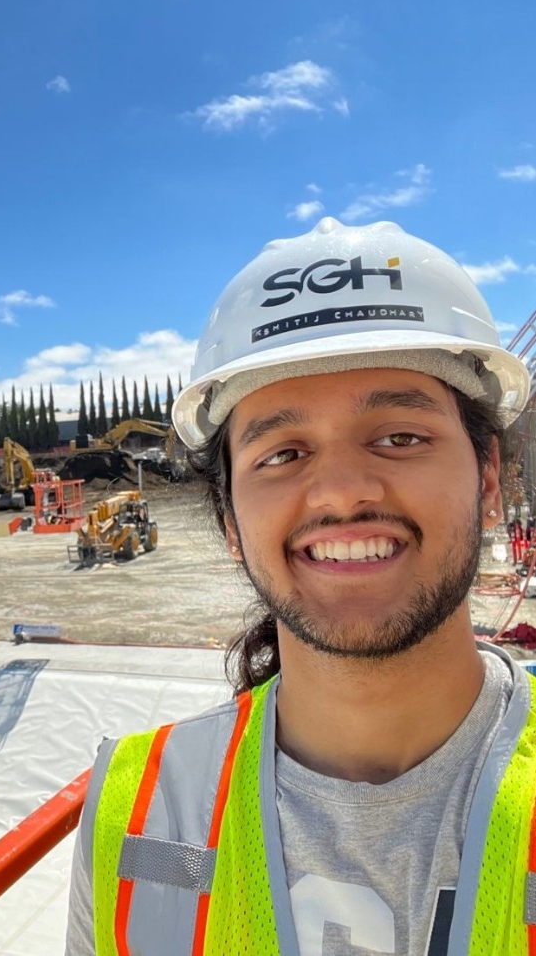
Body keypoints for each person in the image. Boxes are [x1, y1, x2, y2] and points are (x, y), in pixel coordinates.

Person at [65, 217, 536, 954]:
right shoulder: (138, 810)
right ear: (228, 519)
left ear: (486, 480)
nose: (340, 493)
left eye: (400, 436)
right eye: (282, 452)